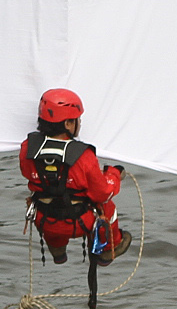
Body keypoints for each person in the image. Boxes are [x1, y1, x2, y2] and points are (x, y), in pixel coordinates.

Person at [19, 88, 133, 265]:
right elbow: (102, 193)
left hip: (45, 221)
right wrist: (114, 174)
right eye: (77, 119)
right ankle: (108, 249)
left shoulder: (27, 148)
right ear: (68, 124)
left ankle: (57, 250)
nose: (79, 123)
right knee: (107, 206)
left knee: (46, 201)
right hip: (79, 223)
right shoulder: (84, 156)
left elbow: (28, 173)